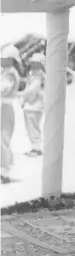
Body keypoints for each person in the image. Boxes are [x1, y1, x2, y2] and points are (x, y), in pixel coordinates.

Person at [1, 45, 21, 183]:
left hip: (5, 108)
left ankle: (5, 172)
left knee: (3, 140)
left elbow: (3, 89)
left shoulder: (10, 74)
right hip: (3, 107)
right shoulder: (5, 72)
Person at [21, 52, 46, 157]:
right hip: (31, 106)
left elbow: (31, 91)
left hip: (34, 106)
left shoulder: (39, 76)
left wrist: (23, 98)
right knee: (31, 128)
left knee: (33, 128)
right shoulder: (34, 74)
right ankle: (34, 146)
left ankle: (36, 148)